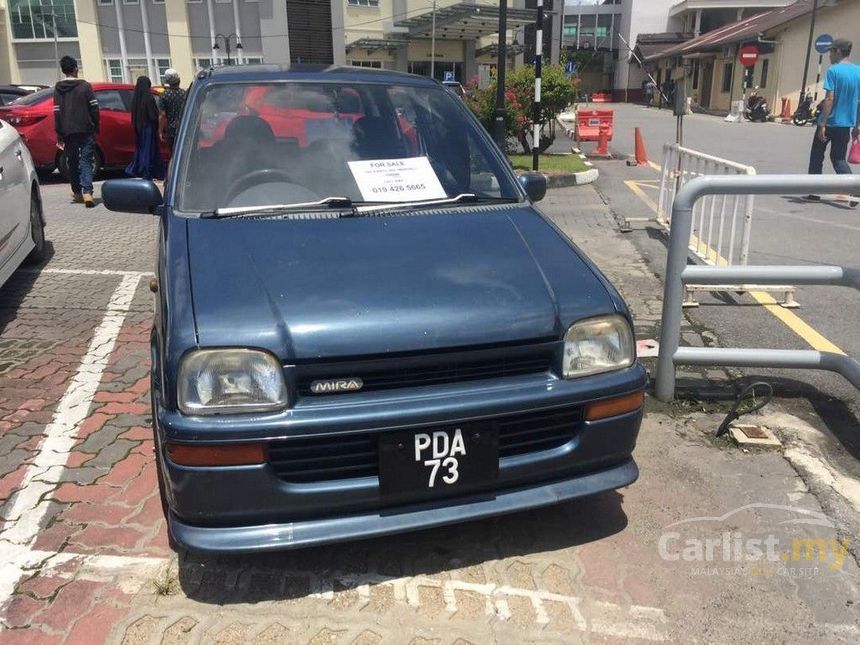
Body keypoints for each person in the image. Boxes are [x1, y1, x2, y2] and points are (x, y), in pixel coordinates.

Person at [804, 38, 860, 204]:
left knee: (816, 156)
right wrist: (857, 125)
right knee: (838, 159)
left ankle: (814, 192)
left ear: (838, 51)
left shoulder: (833, 71)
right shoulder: (858, 71)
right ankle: (855, 188)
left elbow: (829, 98)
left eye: (831, 51)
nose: (829, 55)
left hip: (829, 123)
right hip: (845, 125)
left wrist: (822, 123)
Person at [53, 55, 99, 207]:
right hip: (85, 129)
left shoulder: (58, 89)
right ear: (75, 69)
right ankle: (88, 193)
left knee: (72, 161)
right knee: (86, 160)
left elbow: (57, 112)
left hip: (67, 131)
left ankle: (77, 192)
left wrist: (59, 132)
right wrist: (95, 124)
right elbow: (94, 107)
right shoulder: (85, 86)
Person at [126, 76, 165, 180]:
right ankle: (147, 171)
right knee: (149, 150)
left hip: (139, 127)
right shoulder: (148, 97)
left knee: (141, 149)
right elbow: (153, 114)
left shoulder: (135, 98)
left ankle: (138, 169)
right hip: (148, 127)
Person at [158, 68, 186, 154]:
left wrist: (160, 131)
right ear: (179, 80)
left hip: (172, 130)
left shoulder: (164, 95)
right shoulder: (185, 93)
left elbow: (162, 115)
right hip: (184, 127)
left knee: (174, 154)